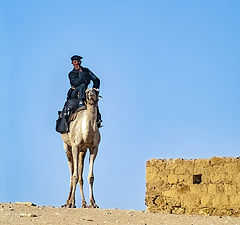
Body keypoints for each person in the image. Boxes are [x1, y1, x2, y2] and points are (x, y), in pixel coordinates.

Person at [66, 55, 102, 127]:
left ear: (80, 62)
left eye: (78, 61)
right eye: (75, 62)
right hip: (75, 92)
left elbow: (96, 79)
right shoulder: (71, 74)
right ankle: (80, 103)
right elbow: (77, 83)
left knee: (93, 101)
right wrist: (81, 72)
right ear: (72, 63)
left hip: (85, 92)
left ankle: (97, 119)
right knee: (82, 85)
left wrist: (95, 89)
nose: (77, 63)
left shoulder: (86, 71)